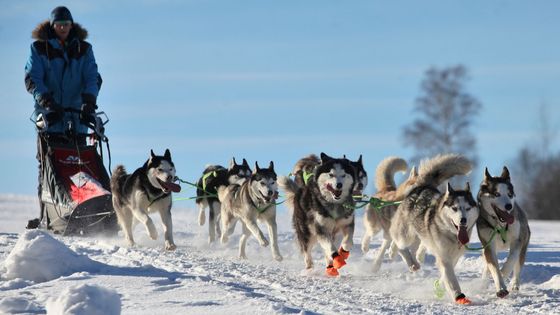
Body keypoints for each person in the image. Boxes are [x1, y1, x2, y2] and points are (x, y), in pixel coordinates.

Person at [25, 6, 102, 228]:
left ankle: (86, 210)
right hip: (50, 116)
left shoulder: (83, 49)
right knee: (49, 166)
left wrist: (89, 100)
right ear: (52, 26)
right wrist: (46, 100)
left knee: (80, 162)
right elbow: (33, 78)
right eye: (59, 25)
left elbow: (92, 77)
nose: (62, 28)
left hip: (77, 115)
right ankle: (47, 216)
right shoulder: (39, 49)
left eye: (66, 24)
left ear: (71, 25)